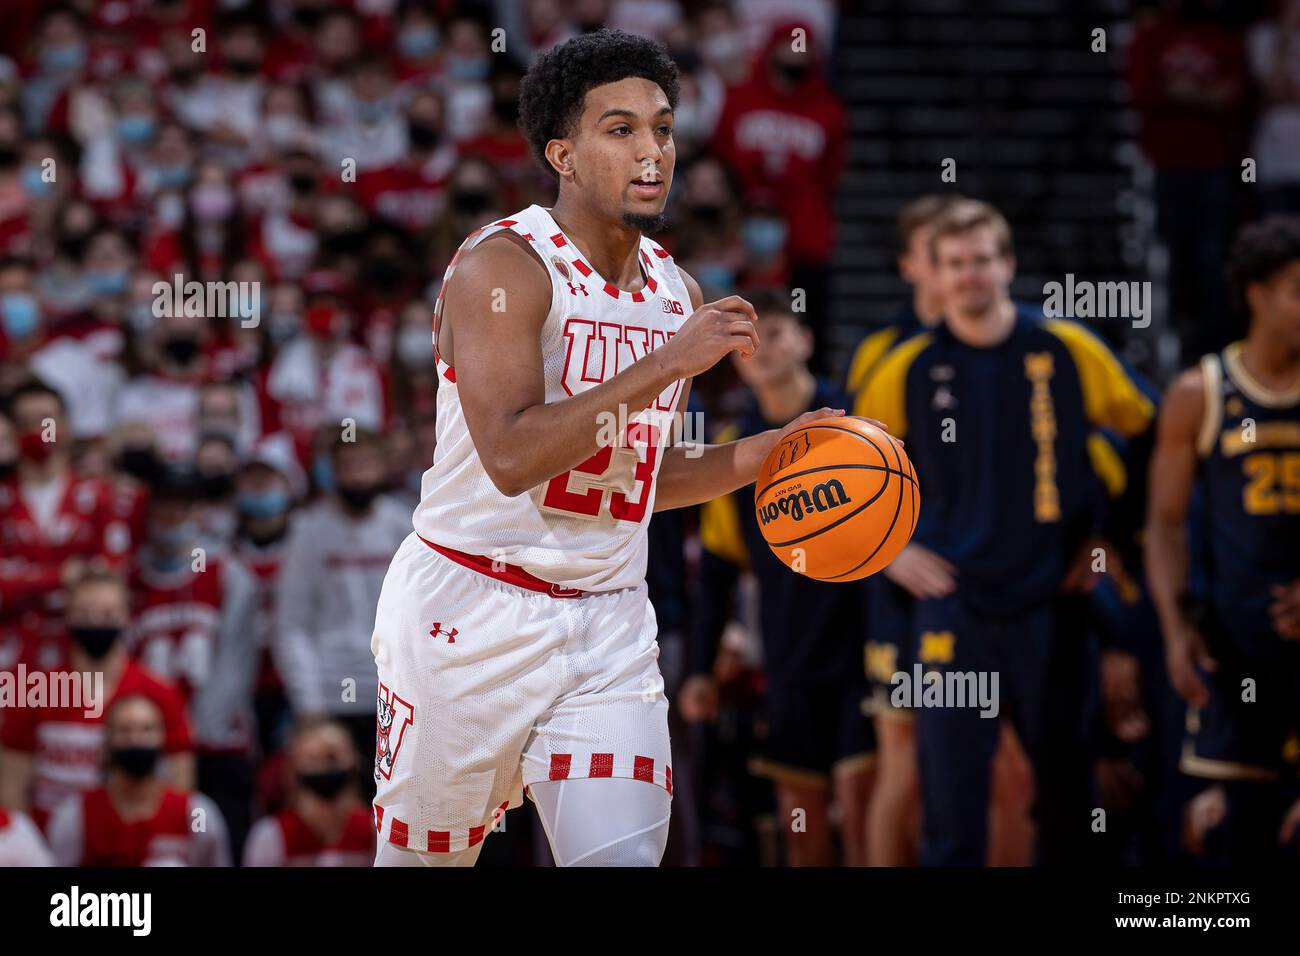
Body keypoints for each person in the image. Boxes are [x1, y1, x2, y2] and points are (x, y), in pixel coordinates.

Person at [370, 29, 870, 867]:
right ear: (562, 154)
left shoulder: (678, 291)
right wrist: (668, 362)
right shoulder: (504, 267)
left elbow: (632, 469)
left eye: (664, 129)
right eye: (622, 130)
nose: (654, 152)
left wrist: (773, 450)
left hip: (608, 623)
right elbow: (513, 455)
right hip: (466, 612)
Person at [857, 199, 1156, 865]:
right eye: (955, 264)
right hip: (953, 606)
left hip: (1056, 603)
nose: (970, 275)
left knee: (1066, 797)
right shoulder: (902, 367)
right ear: (934, 274)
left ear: (1008, 265)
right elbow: (840, 476)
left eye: (982, 261)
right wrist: (888, 551)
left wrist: (1114, 540)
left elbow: (1152, 432)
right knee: (951, 805)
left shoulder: (1070, 348)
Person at [683, 288, 874, 866]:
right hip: (789, 650)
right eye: (751, 337)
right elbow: (717, 571)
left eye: (780, 331)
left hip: (866, 645)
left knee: (866, 809)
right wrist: (699, 668)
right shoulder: (728, 449)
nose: (765, 347)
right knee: (801, 820)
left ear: (807, 341)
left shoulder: (862, 427)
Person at [1145, 216, 1300, 864]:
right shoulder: (1199, 393)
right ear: (1257, 293)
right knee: (1230, 842)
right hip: (1239, 654)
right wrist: (1177, 630)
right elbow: (1164, 522)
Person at [0, 571, 193, 830]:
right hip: (48, 847)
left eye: (107, 614)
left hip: (132, 846)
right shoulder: (34, 693)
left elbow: (179, 791)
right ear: (68, 616)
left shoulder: (160, 694)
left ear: (127, 616)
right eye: (85, 612)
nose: (95, 622)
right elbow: (12, 789)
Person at [274, 429, 409, 771]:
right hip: (330, 693)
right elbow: (292, 623)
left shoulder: (404, 525)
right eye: (349, 465)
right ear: (332, 472)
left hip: (396, 691)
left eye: (366, 464)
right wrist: (309, 703)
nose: (359, 474)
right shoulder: (308, 532)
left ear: (383, 467)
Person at [45, 693, 231, 866]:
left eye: (147, 729)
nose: (136, 739)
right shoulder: (77, 815)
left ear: (162, 737)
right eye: (124, 731)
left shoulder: (195, 813)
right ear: (108, 741)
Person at [242, 717, 375, 867]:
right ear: (294, 769)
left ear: (354, 762)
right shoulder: (271, 834)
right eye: (313, 759)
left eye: (332, 757)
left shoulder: (374, 829)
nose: (323, 767)